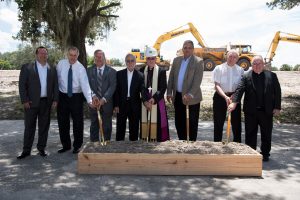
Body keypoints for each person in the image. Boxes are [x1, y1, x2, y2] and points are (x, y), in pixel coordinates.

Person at [228, 55, 281, 162]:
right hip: (251, 111)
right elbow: (239, 90)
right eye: (254, 64)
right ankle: (251, 153)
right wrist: (234, 103)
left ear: (263, 64)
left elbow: (278, 92)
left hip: (266, 111)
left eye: (259, 63)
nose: (256, 66)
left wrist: (277, 107)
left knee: (266, 133)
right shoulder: (246, 76)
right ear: (251, 65)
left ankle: (265, 154)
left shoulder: (272, 75)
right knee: (250, 133)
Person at [17, 46, 58, 159]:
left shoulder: (52, 68)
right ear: (36, 54)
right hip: (30, 103)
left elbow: (55, 85)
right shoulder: (27, 67)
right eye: (41, 53)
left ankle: (41, 148)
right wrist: (24, 100)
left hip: (46, 102)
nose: (43, 55)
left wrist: (55, 99)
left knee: (44, 126)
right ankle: (26, 151)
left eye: (45, 53)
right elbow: (22, 85)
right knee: (29, 127)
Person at [56, 46, 93, 154]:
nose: (72, 57)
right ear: (67, 55)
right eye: (70, 55)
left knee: (78, 123)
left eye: (75, 55)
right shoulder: (61, 64)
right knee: (63, 122)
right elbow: (57, 79)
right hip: (62, 96)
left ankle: (77, 146)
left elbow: (85, 85)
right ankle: (66, 145)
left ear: (78, 55)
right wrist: (55, 97)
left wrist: (90, 100)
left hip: (76, 97)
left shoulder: (81, 68)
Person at [167, 40, 204, 141]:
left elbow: (197, 80)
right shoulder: (176, 60)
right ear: (182, 49)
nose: (187, 49)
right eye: (185, 47)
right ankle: (181, 142)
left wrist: (190, 94)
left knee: (192, 123)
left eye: (189, 48)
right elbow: (171, 77)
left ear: (193, 49)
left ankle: (191, 144)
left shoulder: (198, 61)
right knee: (179, 122)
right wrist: (169, 92)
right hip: (178, 96)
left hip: (192, 98)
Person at [114, 53, 148, 141]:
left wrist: (145, 101)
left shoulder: (140, 75)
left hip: (134, 105)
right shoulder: (119, 74)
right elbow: (116, 91)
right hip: (122, 104)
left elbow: (143, 90)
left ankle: (133, 149)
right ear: (125, 62)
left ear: (135, 62)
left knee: (134, 128)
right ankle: (119, 147)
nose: (130, 63)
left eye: (132, 61)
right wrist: (116, 105)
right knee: (120, 128)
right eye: (128, 61)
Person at [212, 50, 244, 143]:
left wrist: (234, 96)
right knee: (218, 122)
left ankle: (237, 145)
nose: (232, 59)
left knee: (236, 123)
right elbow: (217, 85)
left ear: (237, 59)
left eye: (234, 57)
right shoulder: (219, 68)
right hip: (220, 96)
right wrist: (225, 97)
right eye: (230, 56)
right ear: (227, 56)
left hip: (234, 98)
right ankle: (217, 144)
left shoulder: (240, 70)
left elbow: (240, 86)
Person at [140, 47, 169, 142]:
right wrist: (145, 101)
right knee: (145, 120)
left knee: (159, 123)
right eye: (149, 58)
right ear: (146, 59)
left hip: (157, 101)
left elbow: (163, 87)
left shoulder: (161, 71)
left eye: (153, 58)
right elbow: (141, 87)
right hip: (145, 102)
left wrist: (154, 99)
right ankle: (145, 140)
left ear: (156, 59)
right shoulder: (141, 70)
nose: (151, 60)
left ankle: (159, 141)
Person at [87, 49, 116, 143]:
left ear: (104, 58)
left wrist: (103, 99)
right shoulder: (89, 71)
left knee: (107, 127)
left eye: (101, 56)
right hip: (94, 104)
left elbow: (112, 87)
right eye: (97, 57)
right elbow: (86, 85)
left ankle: (106, 147)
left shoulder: (112, 71)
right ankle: (93, 147)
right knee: (94, 126)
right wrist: (93, 96)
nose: (99, 59)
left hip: (107, 104)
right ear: (94, 58)